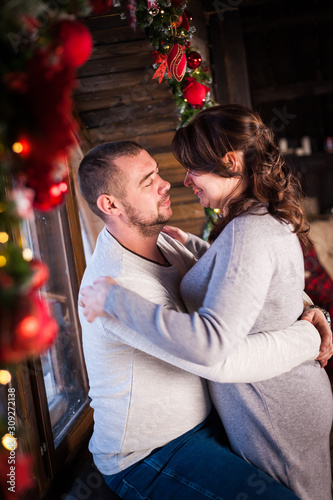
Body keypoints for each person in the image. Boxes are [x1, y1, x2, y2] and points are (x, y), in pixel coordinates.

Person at [79, 106, 333, 500]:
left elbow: (242, 278)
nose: (168, 183)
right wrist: (308, 336)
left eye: (158, 173)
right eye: (149, 181)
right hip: (152, 452)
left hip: (209, 422)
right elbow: (213, 355)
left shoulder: (167, 241)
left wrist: (307, 307)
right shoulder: (113, 287)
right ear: (110, 205)